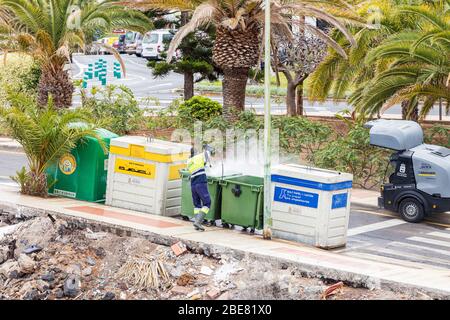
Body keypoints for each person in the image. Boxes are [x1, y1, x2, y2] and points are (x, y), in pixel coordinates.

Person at [187, 144, 214, 231]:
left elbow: (203, 163)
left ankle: (196, 223)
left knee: (197, 205)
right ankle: (198, 222)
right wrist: (207, 148)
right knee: (207, 203)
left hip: (193, 185)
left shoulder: (189, 161)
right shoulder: (199, 157)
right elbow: (208, 152)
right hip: (200, 183)